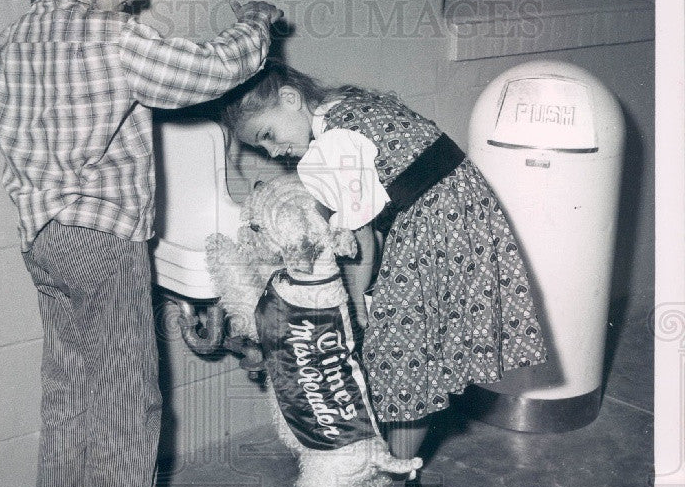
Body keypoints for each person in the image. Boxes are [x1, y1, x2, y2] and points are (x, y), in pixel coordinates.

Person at [0, 0, 283, 487]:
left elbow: (8, 142)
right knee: (126, 395)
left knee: (67, 385)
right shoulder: (115, 39)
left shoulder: (12, 42)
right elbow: (206, 71)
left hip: (42, 241)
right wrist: (256, 32)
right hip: (103, 241)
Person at [222, 62, 546, 462]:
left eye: (268, 135)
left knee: (399, 355)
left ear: (290, 98)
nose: (273, 151)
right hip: (461, 213)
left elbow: (361, 239)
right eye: (262, 148)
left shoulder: (330, 145)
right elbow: (373, 214)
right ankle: (400, 446)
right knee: (415, 339)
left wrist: (354, 305)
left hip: (435, 224)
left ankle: (397, 476)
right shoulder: (347, 104)